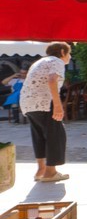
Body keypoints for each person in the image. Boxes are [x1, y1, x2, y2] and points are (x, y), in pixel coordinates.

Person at [20, 41, 72, 182]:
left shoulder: (40, 61)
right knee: (56, 134)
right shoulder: (57, 61)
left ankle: (41, 169)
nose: (70, 56)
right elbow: (52, 80)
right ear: (62, 52)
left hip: (28, 103)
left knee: (39, 135)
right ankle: (50, 172)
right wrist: (57, 104)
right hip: (44, 103)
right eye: (69, 53)